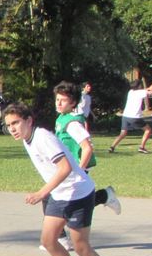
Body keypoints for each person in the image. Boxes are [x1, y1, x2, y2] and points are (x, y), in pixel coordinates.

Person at [2, 102, 124, 256]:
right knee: (49, 241)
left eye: (16, 123)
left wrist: (42, 193)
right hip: (60, 195)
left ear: (29, 121)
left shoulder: (42, 138)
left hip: (78, 194)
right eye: (9, 125)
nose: (12, 128)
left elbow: (65, 167)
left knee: (81, 246)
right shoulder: (27, 139)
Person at [52, 82, 122, 214]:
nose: (58, 103)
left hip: (76, 166)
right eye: (57, 99)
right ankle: (104, 196)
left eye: (63, 100)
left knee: (70, 204)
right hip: (68, 166)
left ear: (73, 103)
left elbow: (87, 148)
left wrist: (80, 170)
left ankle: (104, 196)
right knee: (68, 202)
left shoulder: (72, 123)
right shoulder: (62, 118)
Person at [108, 79, 152, 154]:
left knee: (123, 133)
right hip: (134, 117)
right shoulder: (140, 92)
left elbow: (149, 88)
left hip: (125, 116)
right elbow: (151, 91)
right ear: (139, 86)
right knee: (148, 130)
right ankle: (142, 147)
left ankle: (112, 147)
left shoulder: (130, 92)